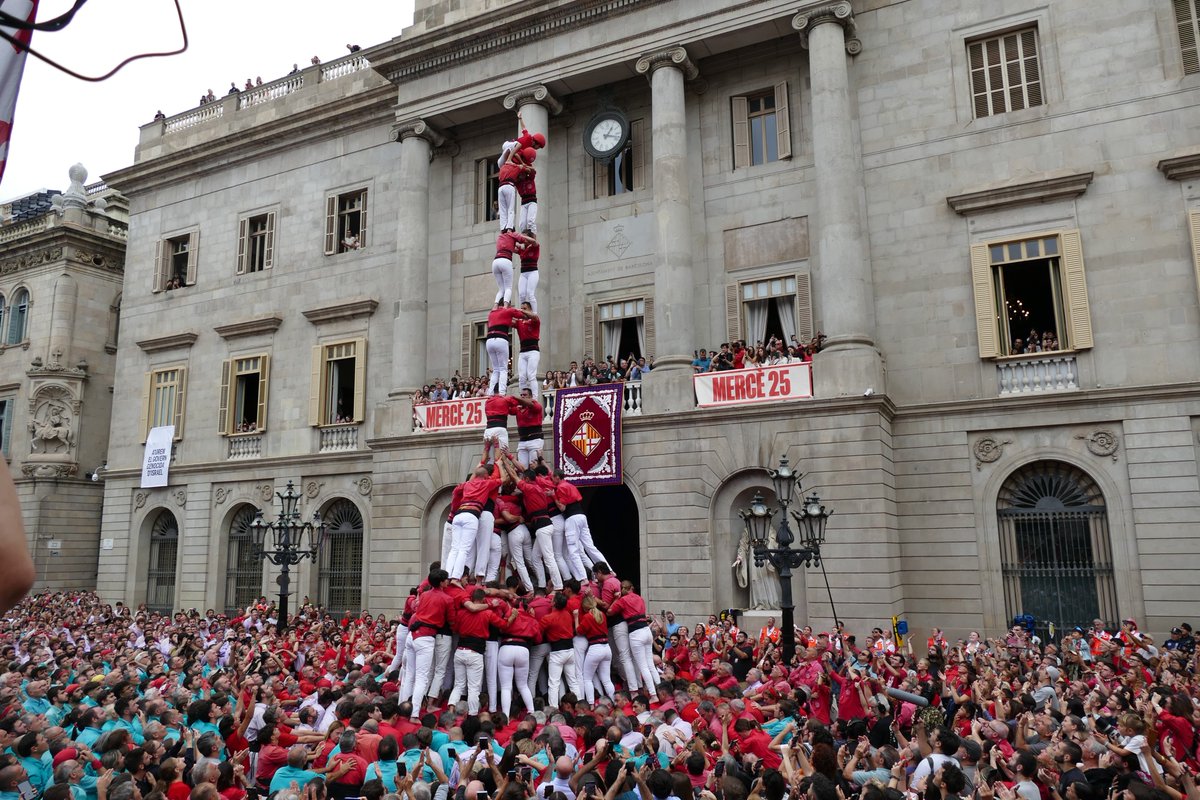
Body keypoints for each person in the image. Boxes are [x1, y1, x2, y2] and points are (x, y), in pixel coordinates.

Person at [483, 300, 531, 395]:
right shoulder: (507, 310)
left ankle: (490, 392)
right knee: (503, 368)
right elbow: (524, 315)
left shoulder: (491, 313)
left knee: (496, 369)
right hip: (501, 339)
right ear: (506, 303)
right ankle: (501, 392)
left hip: (489, 340)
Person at [513, 388, 544, 469]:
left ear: (530, 397)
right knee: (522, 468)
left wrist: (516, 398)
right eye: (521, 395)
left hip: (535, 440)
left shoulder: (536, 405)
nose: (522, 397)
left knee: (534, 467)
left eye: (525, 395)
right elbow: (508, 409)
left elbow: (530, 405)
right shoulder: (518, 408)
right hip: (522, 441)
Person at [515, 302, 541, 393]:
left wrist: (521, 311)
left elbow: (533, 316)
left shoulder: (535, 319)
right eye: (521, 308)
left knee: (531, 376)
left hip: (533, 351)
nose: (522, 310)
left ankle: (534, 398)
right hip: (522, 352)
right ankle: (523, 396)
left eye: (525, 308)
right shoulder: (519, 321)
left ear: (530, 309)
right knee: (521, 377)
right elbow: (509, 321)